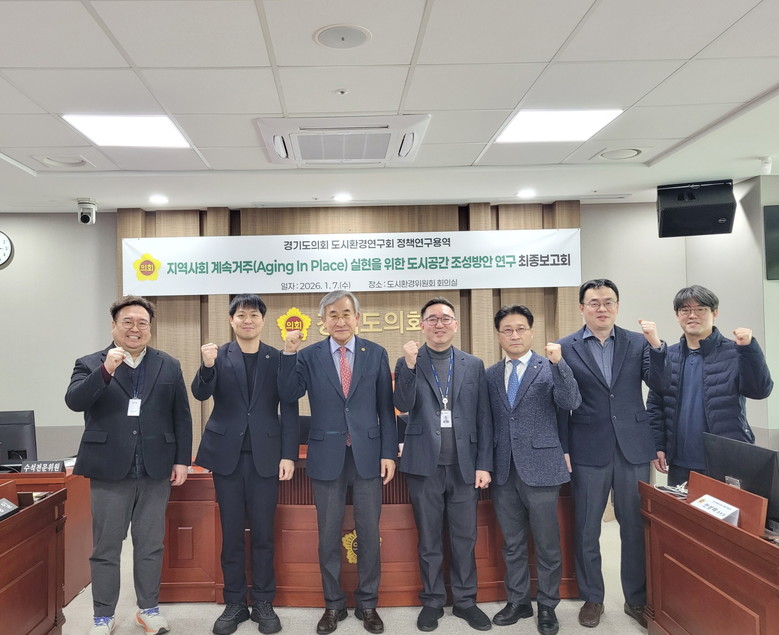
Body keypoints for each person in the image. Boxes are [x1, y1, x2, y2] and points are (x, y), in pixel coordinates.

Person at [65, 295, 192, 635]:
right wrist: (106, 370)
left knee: (150, 545)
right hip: (108, 469)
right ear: (114, 326)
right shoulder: (90, 363)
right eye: (127, 322)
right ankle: (103, 616)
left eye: (142, 323)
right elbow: (75, 401)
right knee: (106, 547)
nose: (135, 328)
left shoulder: (168, 364)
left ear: (150, 328)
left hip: (155, 469)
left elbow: (181, 416)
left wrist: (182, 460)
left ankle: (148, 609)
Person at [278, 290, 397, 635]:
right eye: (333, 314)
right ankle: (333, 604)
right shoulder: (309, 355)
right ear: (323, 321)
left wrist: (388, 453)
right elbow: (288, 394)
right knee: (328, 535)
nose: (340, 320)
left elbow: (385, 407)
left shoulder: (376, 353)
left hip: (368, 456)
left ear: (357, 318)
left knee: (369, 533)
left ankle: (368, 603)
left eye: (346, 313)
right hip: (326, 454)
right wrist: (289, 353)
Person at [557, 279, 666, 629]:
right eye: (594, 302)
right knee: (586, 527)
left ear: (617, 306)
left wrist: (657, 346)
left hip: (633, 446)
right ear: (582, 308)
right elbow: (560, 404)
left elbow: (660, 385)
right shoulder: (565, 347)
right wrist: (564, 447)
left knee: (633, 527)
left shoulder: (638, 342)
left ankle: (636, 599)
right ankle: (593, 598)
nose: (601, 308)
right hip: (587, 447)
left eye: (608, 302)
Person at [192, 294, 299, 635]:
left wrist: (288, 454)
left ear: (263, 321)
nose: (247, 320)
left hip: (266, 456)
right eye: (241, 315)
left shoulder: (277, 357)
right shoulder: (218, 355)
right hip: (227, 457)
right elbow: (200, 393)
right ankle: (235, 602)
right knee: (232, 533)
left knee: (264, 533)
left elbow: (290, 405)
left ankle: (264, 601)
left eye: (254, 315)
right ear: (231, 320)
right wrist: (207, 366)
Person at [393, 297, 493, 633]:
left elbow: (483, 416)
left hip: (465, 465)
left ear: (455, 324)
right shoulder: (408, 361)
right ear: (422, 325)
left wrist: (484, 464)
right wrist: (409, 367)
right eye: (432, 319)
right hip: (424, 464)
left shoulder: (473, 364)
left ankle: (465, 601)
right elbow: (401, 403)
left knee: (465, 538)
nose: (439, 324)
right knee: (429, 539)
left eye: (445, 318)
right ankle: (433, 600)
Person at [486, 305, 581, 635]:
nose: (514, 335)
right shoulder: (490, 374)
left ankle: (548, 605)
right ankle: (518, 601)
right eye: (507, 330)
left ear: (531, 331)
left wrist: (560, 365)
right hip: (503, 469)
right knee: (512, 543)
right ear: (499, 336)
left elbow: (570, 402)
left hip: (542, 467)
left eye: (520, 329)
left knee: (547, 543)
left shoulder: (548, 367)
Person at [648, 285, 773, 487]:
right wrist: (658, 445)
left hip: (727, 461)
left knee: (726, 509)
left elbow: (760, 391)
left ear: (714, 313)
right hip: (680, 462)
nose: (692, 315)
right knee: (680, 509)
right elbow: (655, 405)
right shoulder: (668, 355)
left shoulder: (736, 351)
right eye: (685, 310)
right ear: (677, 315)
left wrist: (750, 349)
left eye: (700, 309)